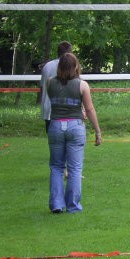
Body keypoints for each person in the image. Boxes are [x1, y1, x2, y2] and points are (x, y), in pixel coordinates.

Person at [47, 53, 101, 213]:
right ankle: (73, 205)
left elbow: (55, 102)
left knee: (56, 167)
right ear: (76, 66)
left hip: (55, 125)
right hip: (75, 126)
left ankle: (57, 204)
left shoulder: (50, 83)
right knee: (75, 168)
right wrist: (97, 131)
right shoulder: (82, 85)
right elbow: (89, 109)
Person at [40, 41, 73, 133]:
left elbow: (42, 87)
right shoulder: (69, 66)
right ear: (69, 52)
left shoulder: (47, 66)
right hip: (64, 110)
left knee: (53, 142)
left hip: (48, 108)